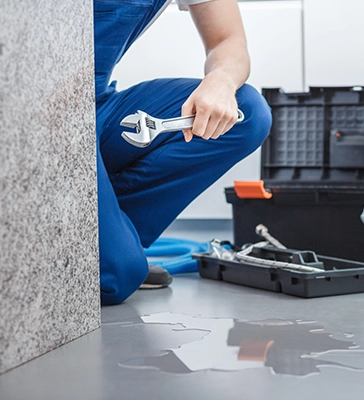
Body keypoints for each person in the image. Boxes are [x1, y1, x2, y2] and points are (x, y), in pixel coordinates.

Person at [94, 0, 272, 305]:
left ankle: (112, 243)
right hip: (34, 110)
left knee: (248, 112)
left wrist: (222, 80)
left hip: (96, 105)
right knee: (117, 277)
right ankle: (112, 253)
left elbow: (227, 39)